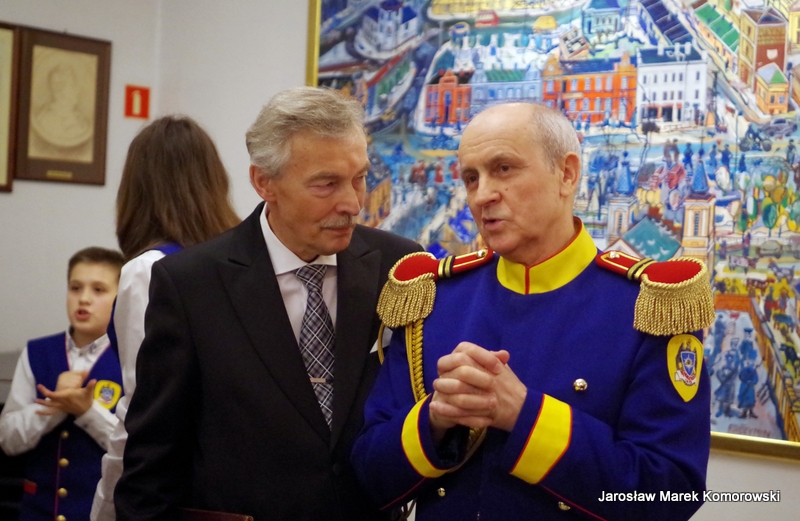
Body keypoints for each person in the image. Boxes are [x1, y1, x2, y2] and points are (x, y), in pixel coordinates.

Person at [352, 103, 713, 521]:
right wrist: (433, 421)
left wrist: (525, 416)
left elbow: (670, 495)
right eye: (471, 178)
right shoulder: (434, 299)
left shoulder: (649, 307)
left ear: (567, 174)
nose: (482, 195)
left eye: (503, 169)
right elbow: (370, 475)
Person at [114, 87, 421, 521]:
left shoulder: (399, 265)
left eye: (359, 178)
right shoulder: (191, 285)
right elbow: (153, 459)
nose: (353, 204)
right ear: (264, 183)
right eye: (326, 184)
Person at [90, 116, 240, 520]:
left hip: (176, 490)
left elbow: (142, 414)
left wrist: (105, 508)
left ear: (137, 188)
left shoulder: (150, 270)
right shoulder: (238, 264)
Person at [0, 247, 124, 521]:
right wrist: (55, 406)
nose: (84, 298)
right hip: (37, 513)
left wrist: (88, 412)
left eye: (98, 290)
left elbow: (135, 450)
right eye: (75, 288)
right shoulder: (37, 352)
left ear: (120, 298)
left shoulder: (131, 358)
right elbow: (7, 439)